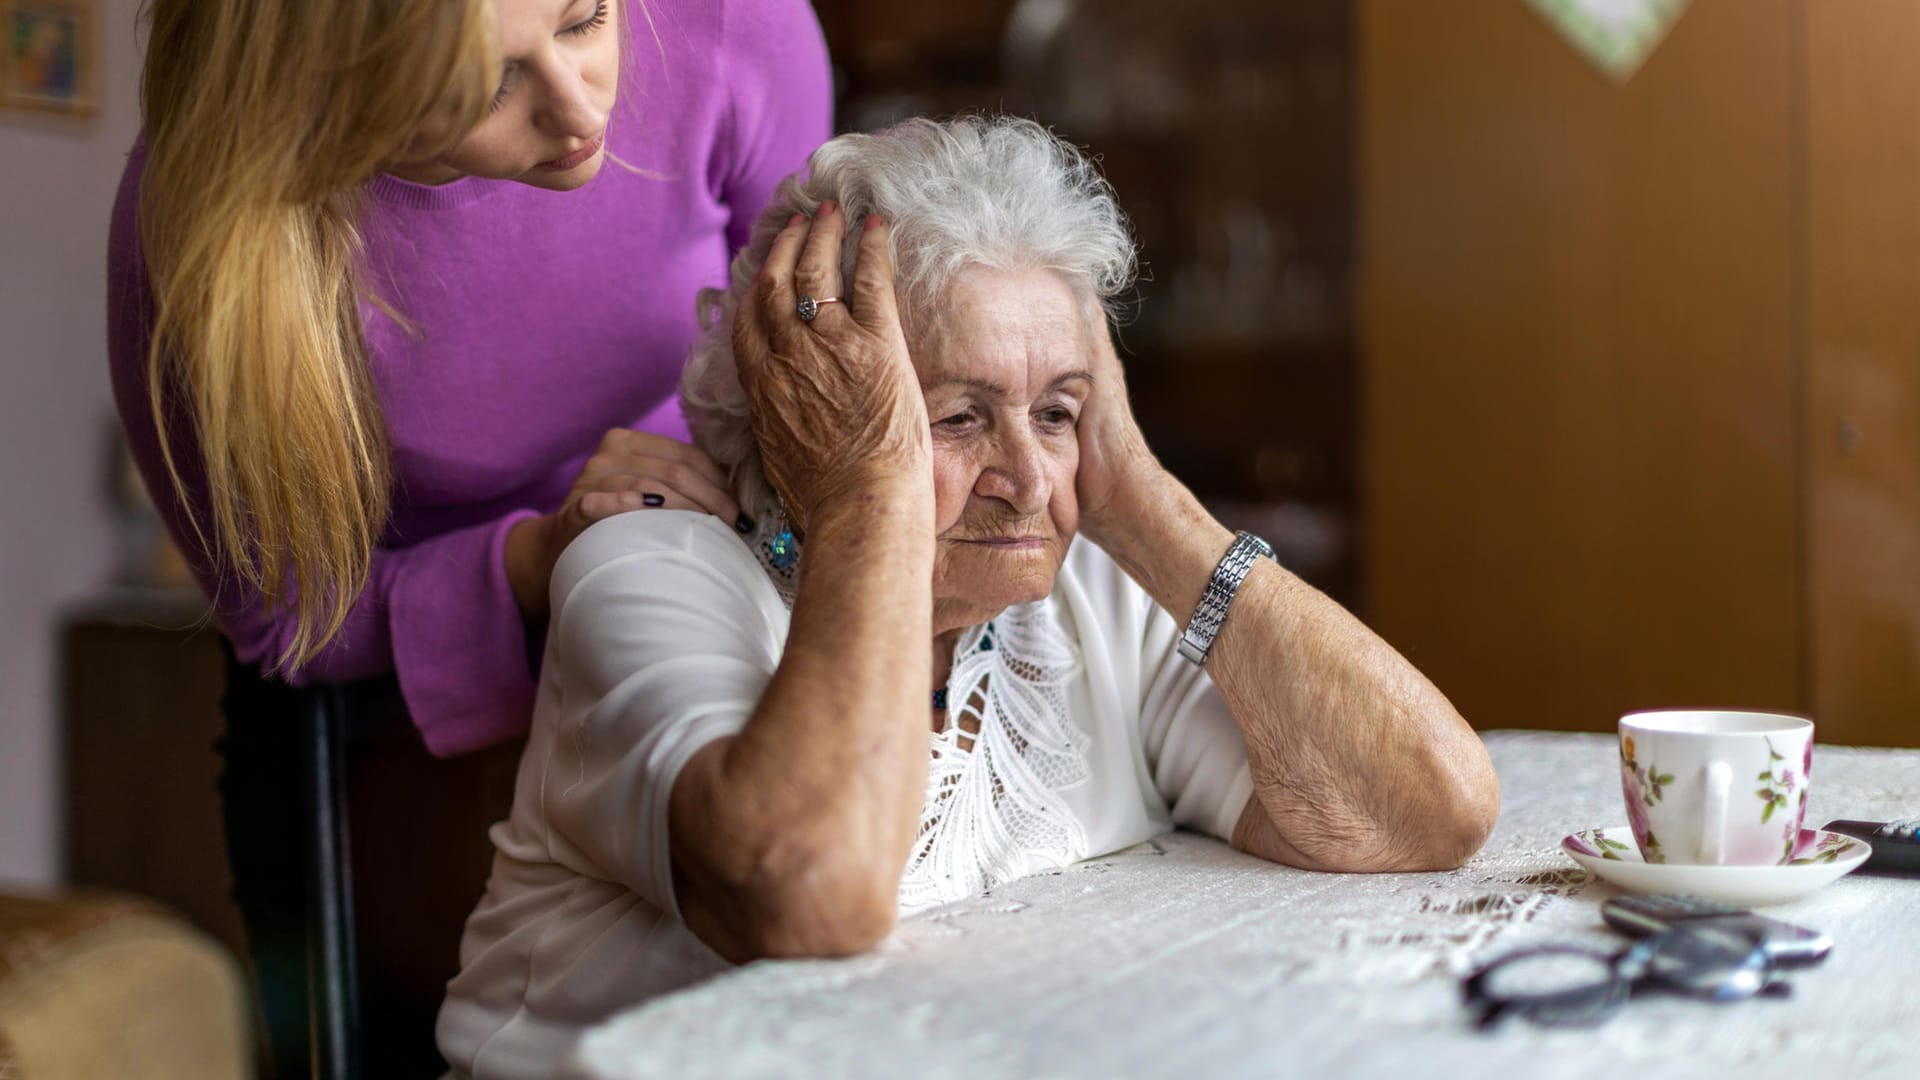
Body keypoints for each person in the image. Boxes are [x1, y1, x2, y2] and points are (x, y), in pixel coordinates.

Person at [436, 115, 1501, 1078]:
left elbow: (1429, 808)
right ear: (806, 412)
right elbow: (808, 893)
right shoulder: (656, 568)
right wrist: (866, 488)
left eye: (1056, 411)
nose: (1030, 480)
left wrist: (1144, 503)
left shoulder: (1085, 588)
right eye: (956, 418)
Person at [106, 0, 829, 1071]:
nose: (584, 106)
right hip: (376, 707)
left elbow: (811, 364)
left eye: (585, 20)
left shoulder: (727, 22)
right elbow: (282, 616)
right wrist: (537, 557)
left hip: (690, 605)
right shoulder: (197, 229)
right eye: (489, 87)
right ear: (338, 99)